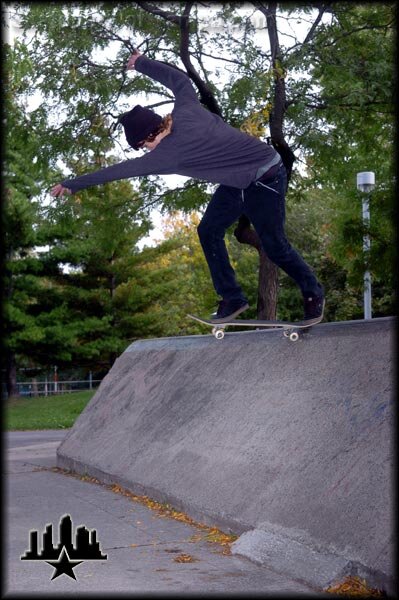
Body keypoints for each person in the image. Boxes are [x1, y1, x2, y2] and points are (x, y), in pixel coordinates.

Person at [51, 50, 324, 324]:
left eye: (142, 146)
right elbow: (179, 80)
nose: (144, 152)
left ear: (148, 137)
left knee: (275, 246)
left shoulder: (166, 155)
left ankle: (313, 293)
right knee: (208, 229)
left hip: (266, 178)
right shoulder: (186, 109)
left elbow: (119, 171)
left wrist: (72, 185)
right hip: (237, 181)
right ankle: (232, 299)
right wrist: (142, 63)